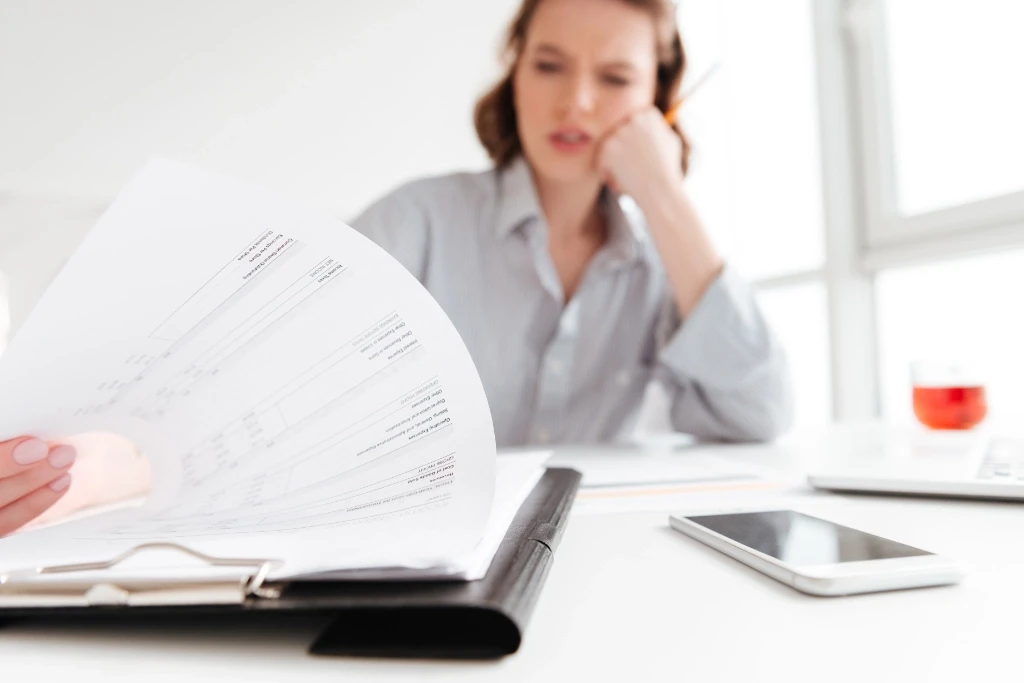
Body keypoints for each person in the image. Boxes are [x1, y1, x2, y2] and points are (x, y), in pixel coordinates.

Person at [0, 0, 790, 536]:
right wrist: (92, 470)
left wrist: (665, 193)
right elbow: (245, 387)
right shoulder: (418, 220)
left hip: (583, 550)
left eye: (615, 78)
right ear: (515, 75)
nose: (577, 101)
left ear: (661, 99)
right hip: (400, 551)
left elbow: (759, 411)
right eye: (549, 64)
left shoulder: (662, 270)